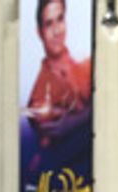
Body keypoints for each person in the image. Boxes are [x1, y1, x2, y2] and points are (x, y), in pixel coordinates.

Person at [25, 0, 92, 145]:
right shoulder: (39, 96)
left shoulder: (86, 64)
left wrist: (78, 118)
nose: (57, 31)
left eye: (60, 19)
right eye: (49, 24)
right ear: (39, 32)